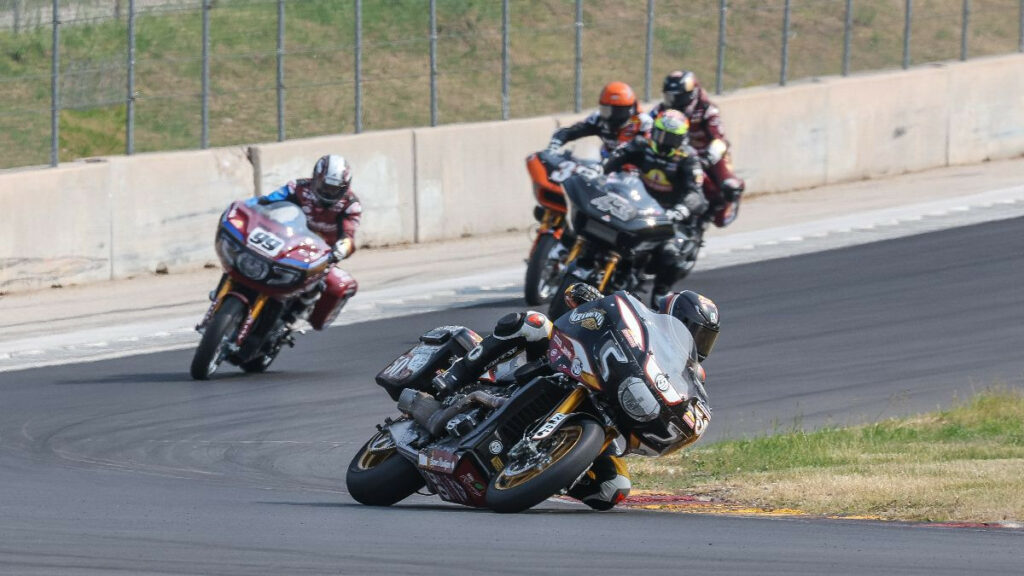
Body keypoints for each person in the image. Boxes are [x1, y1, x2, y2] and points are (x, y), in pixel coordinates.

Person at [430, 282, 720, 511]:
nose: (696, 338)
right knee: (533, 323)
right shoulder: (635, 322)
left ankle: (548, 473)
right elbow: (581, 301)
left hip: (607, 411)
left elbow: (687, 408)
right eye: (690, 326)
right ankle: (457, 374)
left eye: (704, 335)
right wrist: (588, 296)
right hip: (563, 365)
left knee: (611, 490)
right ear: (670, 315)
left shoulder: (688, 376)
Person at [602, 109, 707, 302]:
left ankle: (662, 290)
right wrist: (599, 170)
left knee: (671, 255)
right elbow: (615, 158)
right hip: (638, 204)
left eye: (671, 138)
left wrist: (682, 208)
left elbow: (696, 193)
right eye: (660, 134)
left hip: (669, 215)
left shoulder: (688, 158)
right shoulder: (641, 144)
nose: (664, 141)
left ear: (681, 139)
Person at [255, 154, 361, 329]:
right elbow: (267, 201)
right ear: (316, 179)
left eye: (334, 189)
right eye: (325, 186)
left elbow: (348, 235)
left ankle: (296, 315)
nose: (328, 192)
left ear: (344, 187)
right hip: (285, 243)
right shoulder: (296, 187)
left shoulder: (350, 205)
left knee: (338, 286)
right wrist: (253, 206)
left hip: (319, 256)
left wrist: (340, 250)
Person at [648, 70, 745, 212]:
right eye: (668, 97)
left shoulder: (707, 110)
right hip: (676, 154)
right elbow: (646, 126)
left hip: (706, 155)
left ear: (690, 95)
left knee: (726, 187)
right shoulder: (662, 110)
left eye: (675, 98)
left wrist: (707, 158)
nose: (671, 102)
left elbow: (719, 140)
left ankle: (730, 192)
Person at [548, 81, 653, 158]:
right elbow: (570, 132)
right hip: (606, 168)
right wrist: (554, 146)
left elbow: (653, 150)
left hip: (634, 174)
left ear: (623, 111)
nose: (605, 115)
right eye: (604, 109)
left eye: (609, 111)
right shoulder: (598, 119)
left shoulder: (643, 123)